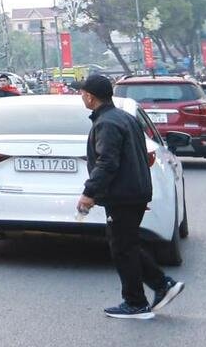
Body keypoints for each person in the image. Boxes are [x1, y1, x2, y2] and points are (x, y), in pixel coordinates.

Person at [77, 74, 183, 319]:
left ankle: (137, 302)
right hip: (134, 191)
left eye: (82, 92)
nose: (81, 96)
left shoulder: (106, 124)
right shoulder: (123, 117)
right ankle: (159, 286)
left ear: (91, 96)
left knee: (122, 247)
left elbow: (107, 162)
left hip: (122, 194)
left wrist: (89, 192)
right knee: (126, 244)